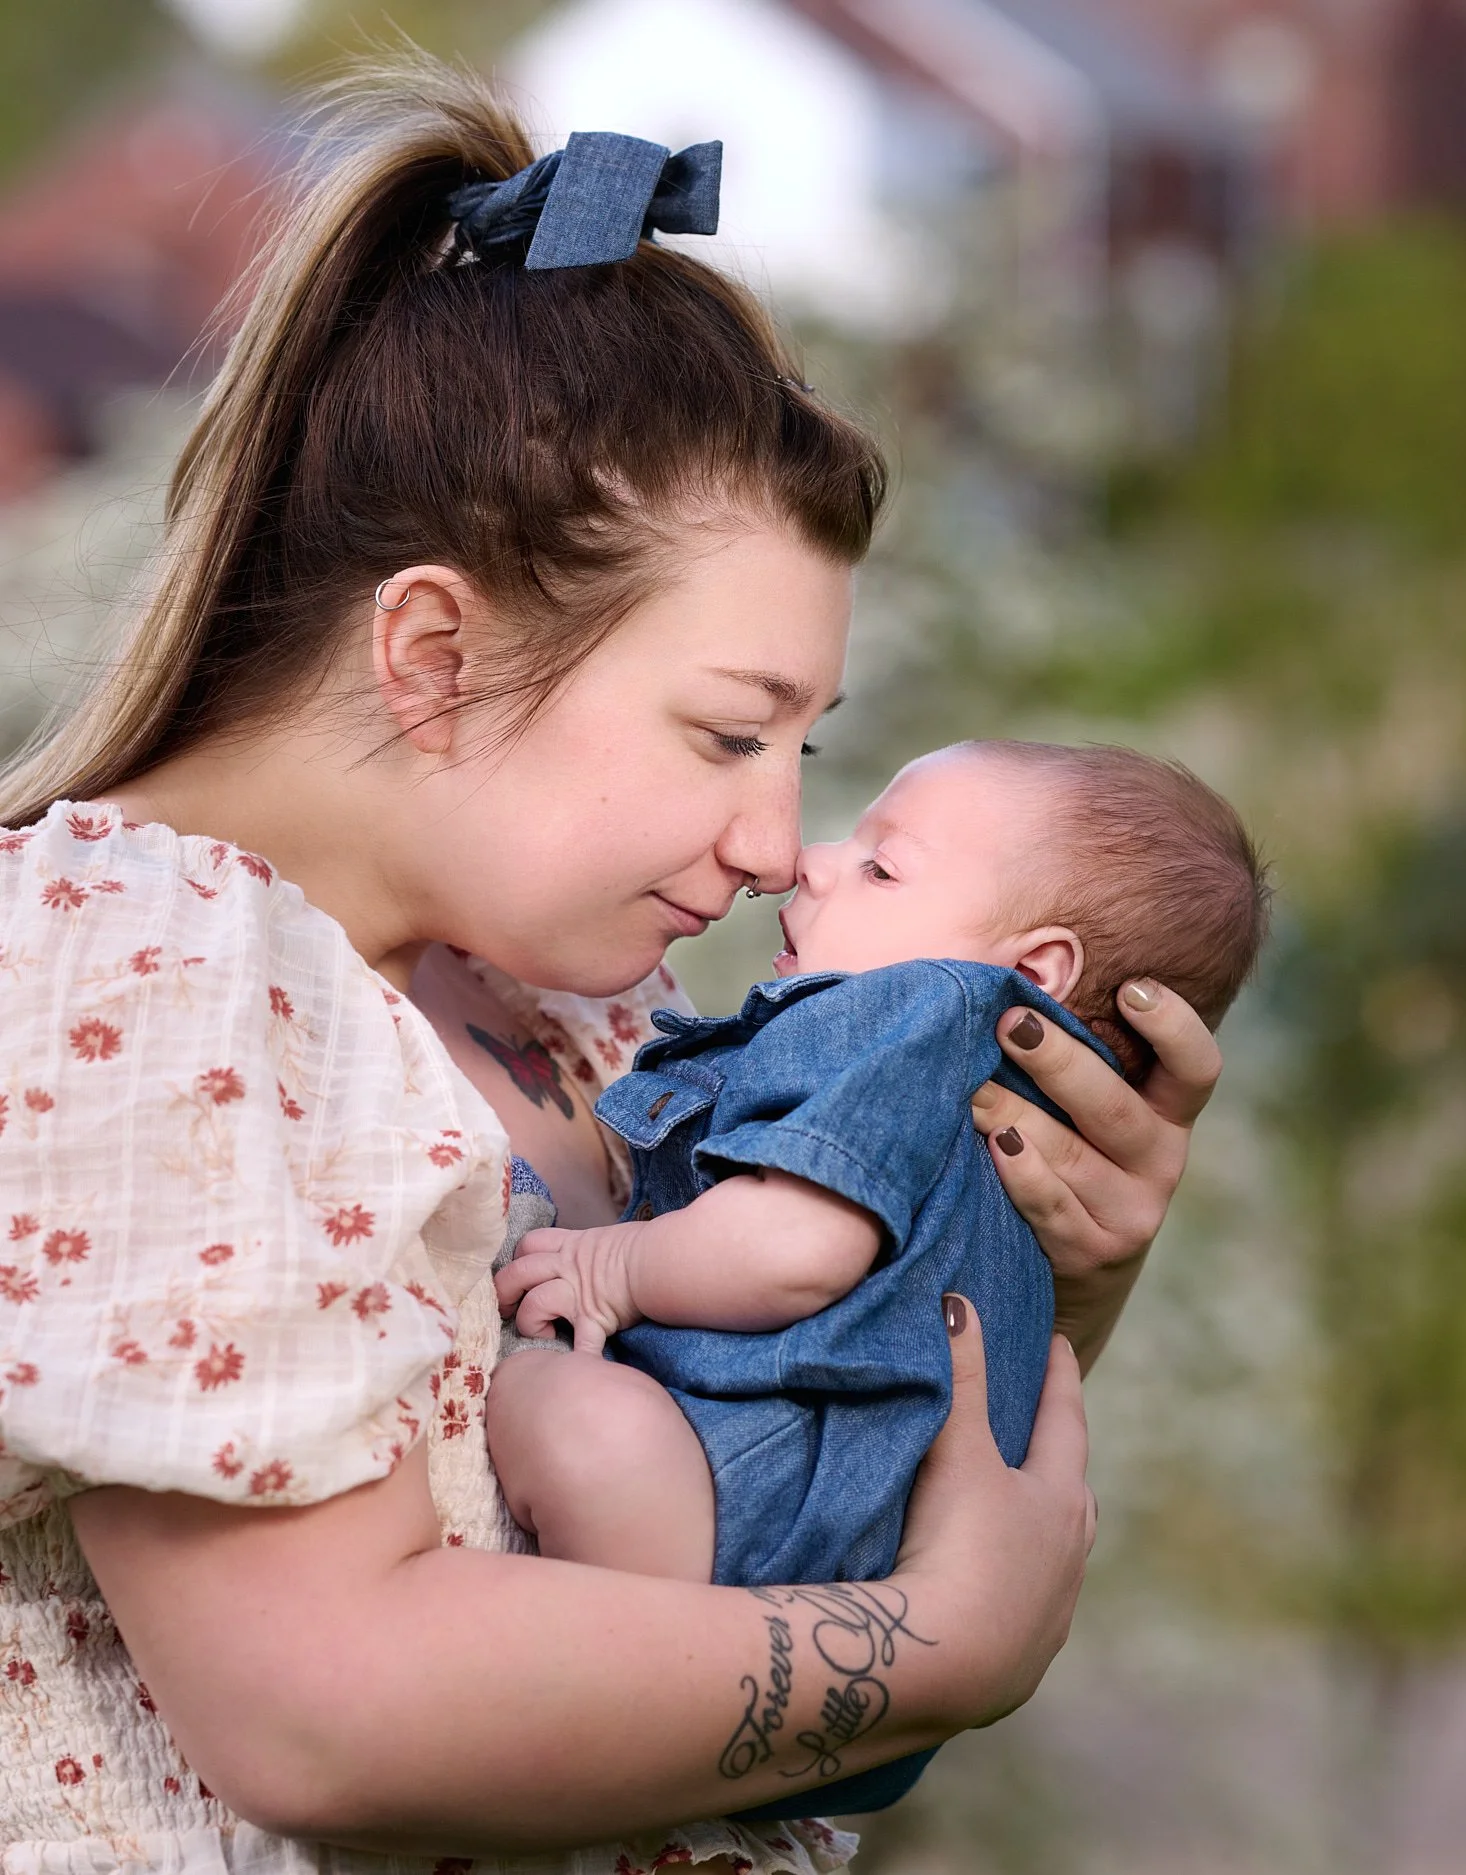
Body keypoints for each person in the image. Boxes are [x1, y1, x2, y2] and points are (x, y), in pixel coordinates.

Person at [0, 55, 1222, 1875]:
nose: (772, 846)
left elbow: (761, 1531)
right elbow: (326, 1711)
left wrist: (1027, 1272)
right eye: (729, 734)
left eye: (805, 756)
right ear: (430, 653)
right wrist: (947, 1648)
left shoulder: (575, 1029)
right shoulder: (132, 972)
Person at [486, 738, 1268, 1815]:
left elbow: (797, 1249)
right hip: (869, 1620)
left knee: (558, 1404)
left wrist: (612, 1262)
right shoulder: (1012, 1135)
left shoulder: (912, 1012)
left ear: (1032, 975)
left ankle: (622, 1678)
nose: (810, 858)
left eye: (882, 868)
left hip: (746, 1507)